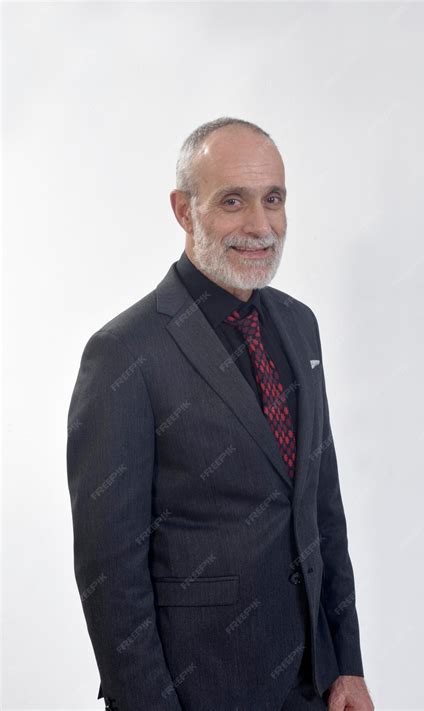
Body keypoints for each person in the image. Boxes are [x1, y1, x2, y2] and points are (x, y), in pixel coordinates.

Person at [67, 116, 374, 711]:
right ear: (184, 211)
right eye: (233, 201)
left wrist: (348, 664)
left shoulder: (298, 325)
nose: (260, 226)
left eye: (273, 200)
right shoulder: (124, 353)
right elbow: (109, 573)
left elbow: (321, 507)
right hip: (199, 690)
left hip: (314, 685)